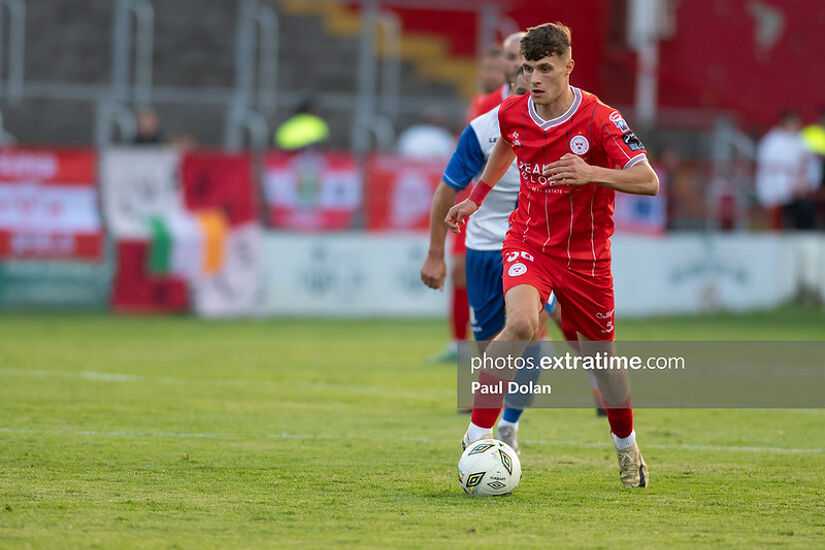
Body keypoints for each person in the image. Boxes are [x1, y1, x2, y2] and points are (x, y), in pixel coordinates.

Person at [446, 23, 658, 488]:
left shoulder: (601, 119)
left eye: (545, 68)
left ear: (568, 67)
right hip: (528, 242)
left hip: (587, 258)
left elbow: (649, 181)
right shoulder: (514, 112)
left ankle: (626, 447)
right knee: (521, 324)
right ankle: (478, 434)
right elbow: (507, 142)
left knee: (604, 360)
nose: (535, 78)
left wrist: (590, 173)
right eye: (528, 69)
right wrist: (475, 198)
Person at [755, 111, 818, 229]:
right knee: (779, 213)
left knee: (806, 209)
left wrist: (805, 183)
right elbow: (769, 168)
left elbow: (808, 163)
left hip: (797, 188)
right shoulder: (771, 142)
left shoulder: (801, 141)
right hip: (778, 186)